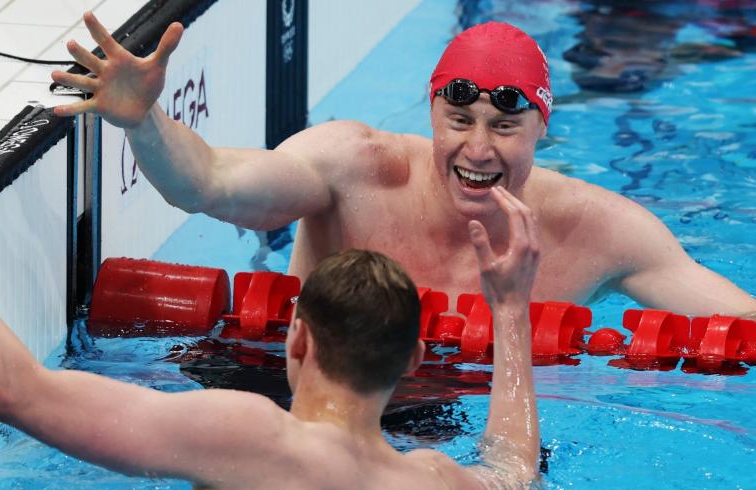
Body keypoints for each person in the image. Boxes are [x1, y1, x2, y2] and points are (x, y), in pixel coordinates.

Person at [0, 127, 541, 490]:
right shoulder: (432, 488)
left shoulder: (254, 438)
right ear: (414, 356)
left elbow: (11, 391)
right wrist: (509, 311)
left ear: (296, 338)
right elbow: (514, 469)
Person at [52, 14, 756, 317]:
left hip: (461, 431)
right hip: (303, 392)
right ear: (429, 113)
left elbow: (740, 321)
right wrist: (142, 121)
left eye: (505, 126)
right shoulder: (351, 166)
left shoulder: (603, 230)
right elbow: (207, 184)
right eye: (459, 121)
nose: (477, 150)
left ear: (543, 127)